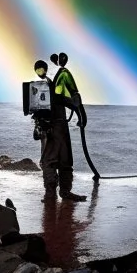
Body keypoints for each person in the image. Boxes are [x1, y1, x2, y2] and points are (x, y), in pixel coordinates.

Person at [46, 52, 86, 202]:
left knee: (61, 158)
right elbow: (72, 96)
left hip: (57, 122)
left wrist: (81, 114)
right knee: (55, 159)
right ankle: (53, 193)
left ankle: (60, 192)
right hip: (53, 123)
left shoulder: (62, 74)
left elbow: (73, 96)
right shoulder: (59, 75)